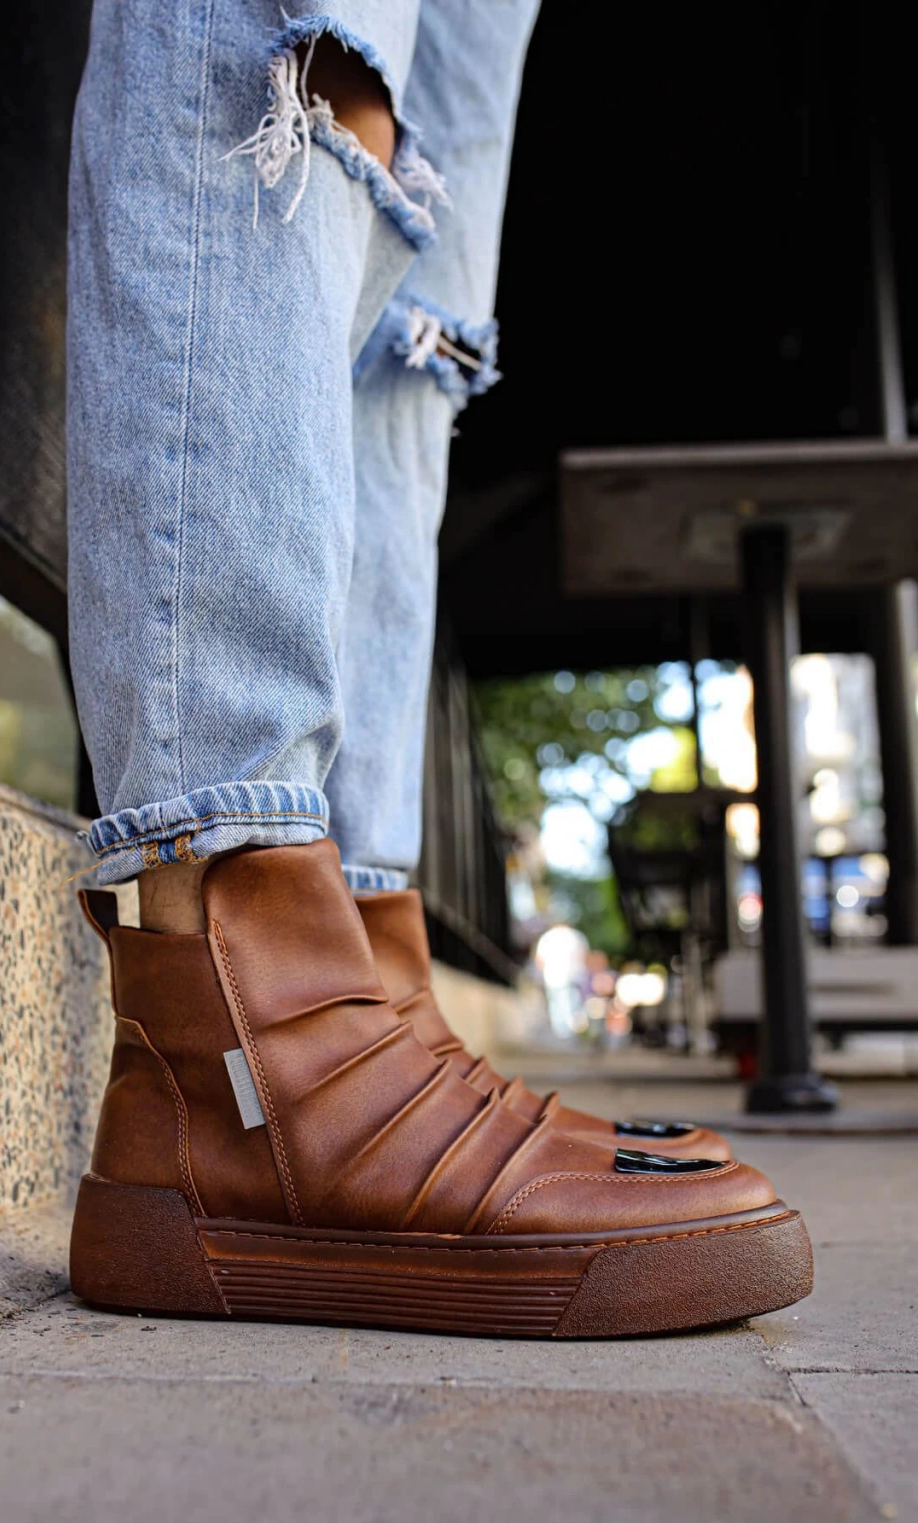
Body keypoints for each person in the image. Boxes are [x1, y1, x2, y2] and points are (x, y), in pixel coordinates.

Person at [66, 0, 812, 1335]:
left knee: (414, 316)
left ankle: (359, 974)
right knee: (279, 65)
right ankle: (263, 1040)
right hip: (229, 1026)